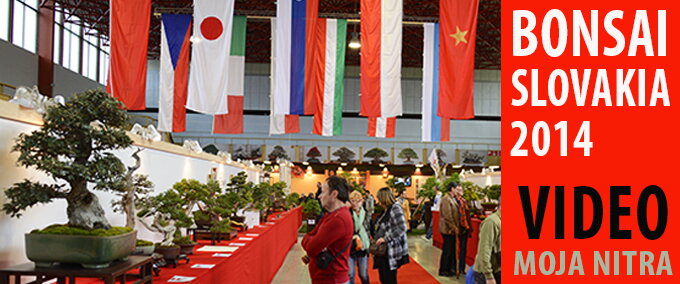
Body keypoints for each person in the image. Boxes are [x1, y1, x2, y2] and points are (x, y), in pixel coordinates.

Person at [302, 176, 354, 284]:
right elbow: (311, 235)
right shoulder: (332, 215)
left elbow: (311, 248)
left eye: (323, 192)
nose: (320, 196)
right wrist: (310, 238)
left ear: (334, 194)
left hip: (332, 279)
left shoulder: (338, 219)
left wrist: (309, 239)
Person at [372, 187, 409, 284]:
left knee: (389, 278)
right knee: (384, 277)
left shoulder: (395, 208)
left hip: (390, 250)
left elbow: (402, 228)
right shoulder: (386, 209)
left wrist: (385, 238)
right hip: (384, 251)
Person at [473, 202, 501, 284]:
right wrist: (488, 276)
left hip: (497, 270)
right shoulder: (492, 222)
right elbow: (484, 250)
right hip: (486, 274)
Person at [438, 182, 460, 277]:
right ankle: (443, 269)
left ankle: (449, 269)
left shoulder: (452, 199)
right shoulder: (446, 199)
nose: (457, 191)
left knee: (451, 250)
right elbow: (447, 216)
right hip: (447, 229)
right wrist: (454, 227)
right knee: (447, 250)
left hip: (451, 229)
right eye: (456, 189)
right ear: (452, 189)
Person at [348, 191, 371, 284]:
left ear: (362, 201)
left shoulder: (366, 214)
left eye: (358, 201)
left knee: (363, 274)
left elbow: (371, 229)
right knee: (350, 274)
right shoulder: (347, 213)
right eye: (353, 200)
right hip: (350, 246)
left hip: (363, 246)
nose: (356, 203)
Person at [454, 183, 472, 276]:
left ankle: (462, 268)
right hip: (457, 227)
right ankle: (455, 267)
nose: (459, 192)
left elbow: (467, 215)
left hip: (465, 227)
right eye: (458, 190)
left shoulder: (464, 201)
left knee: (463, 249)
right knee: (456, 249)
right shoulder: (454, 201)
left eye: (461, 190)